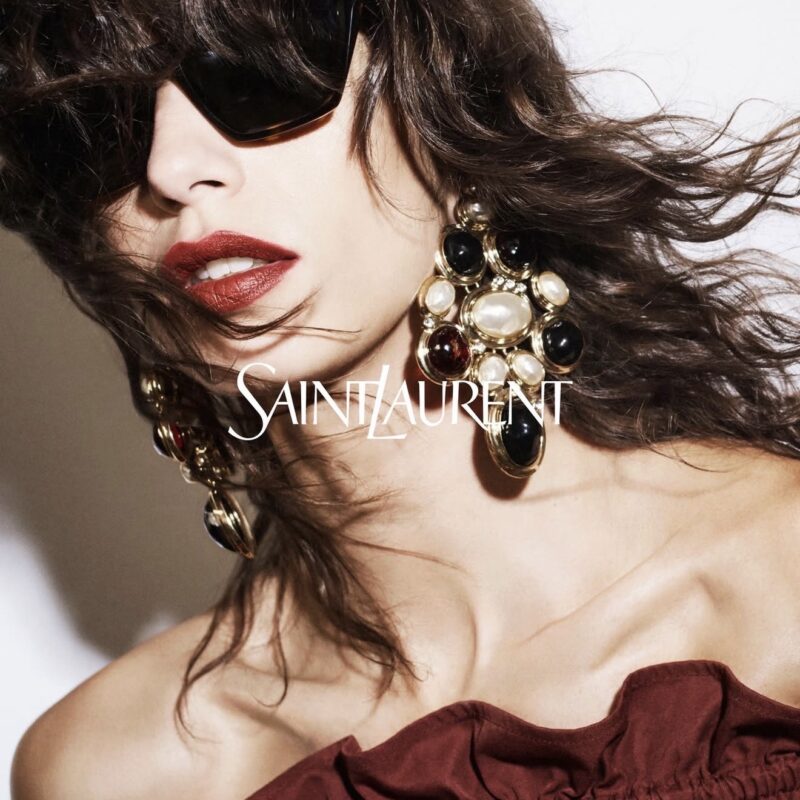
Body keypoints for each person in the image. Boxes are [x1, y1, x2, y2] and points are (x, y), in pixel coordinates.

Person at [5, 0, 800, 798]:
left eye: (256, 73)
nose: (173, 167)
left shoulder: (778, 571)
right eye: (95, 124)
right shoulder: (116, 770)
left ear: (447, 98)